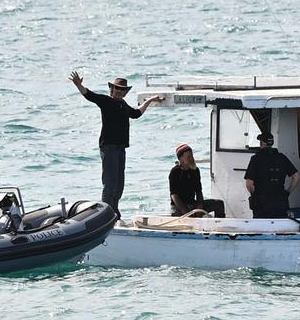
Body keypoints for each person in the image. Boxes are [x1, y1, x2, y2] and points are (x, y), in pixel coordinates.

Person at [70, 71, 163, 217]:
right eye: (117, 89)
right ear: (112, 89)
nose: (119, 91)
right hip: (109, 147)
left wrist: (150, 100)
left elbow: (136, 114)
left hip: (120, 148)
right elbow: (90, 95)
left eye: (122, 90)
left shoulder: (123, 104)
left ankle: (114, 211)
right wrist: (79, 85)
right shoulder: (106, 101)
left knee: (119, 184)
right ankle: (105, 214)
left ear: (125, 93)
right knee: (110, 183)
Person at [244, 132, 300, 219]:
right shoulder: (282, 157)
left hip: (262, 205)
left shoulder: (255, 159)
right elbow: (296, 177)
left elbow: (249, 184)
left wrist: (254, 196)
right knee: (280, 229)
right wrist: (287, 192)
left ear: (262, 143)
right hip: (281, 203)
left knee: (261, 229)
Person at [169, 143, 226, 218]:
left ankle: (218, 225)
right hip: (178, 207)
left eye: (192, 156)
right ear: (181, 159)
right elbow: (174, 195)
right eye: (188, 157)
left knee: (219, 204)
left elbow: (199, 191)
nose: (191, 159)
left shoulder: (195, 170)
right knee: (179, 213)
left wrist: (200, 206)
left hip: (192, 204)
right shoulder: (175, 172)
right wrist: (185, 211)